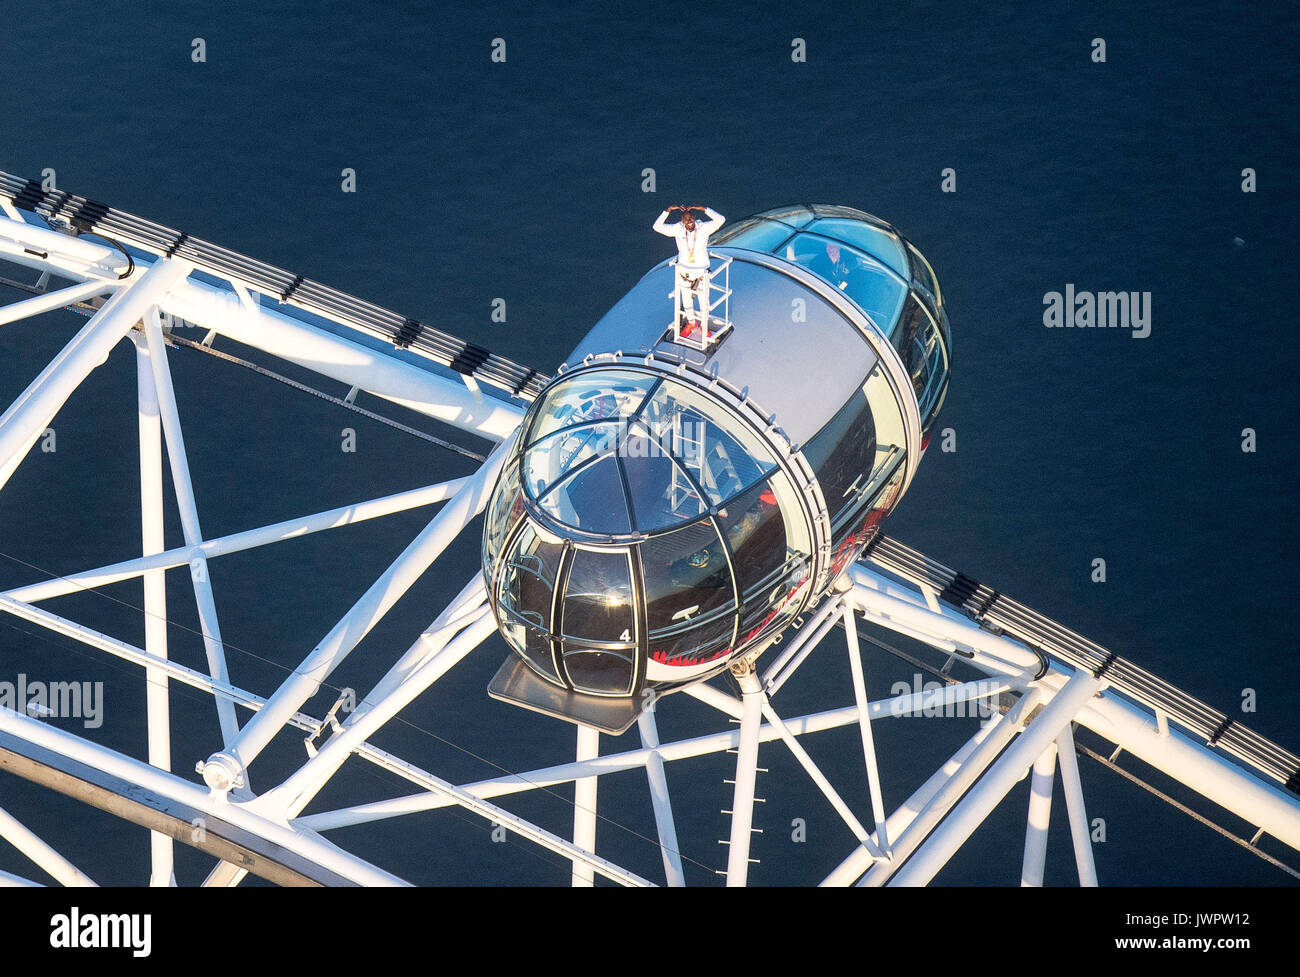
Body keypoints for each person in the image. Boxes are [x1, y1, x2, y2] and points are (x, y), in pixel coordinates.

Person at [653, 205, 725, 338]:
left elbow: (721, 219)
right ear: (682, 221)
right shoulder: (677, 228)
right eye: (686, 220)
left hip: (701, 273)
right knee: (686, 300)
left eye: (691, 218)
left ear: (695, 218)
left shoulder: (703, 228)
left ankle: (704, 326)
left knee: (704, 301)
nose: (689, 222)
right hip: (684, 272)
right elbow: (656, 227)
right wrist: (667, 210)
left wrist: (703, 208)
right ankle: (691, 323)